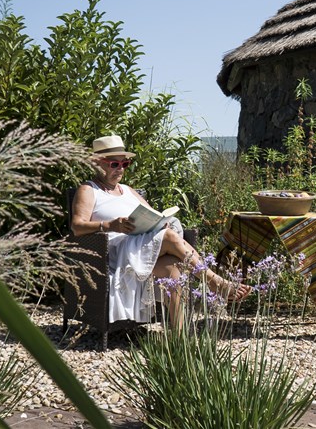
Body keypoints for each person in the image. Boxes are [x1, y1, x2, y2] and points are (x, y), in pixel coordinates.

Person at [71, 135, 250, 327]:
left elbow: (152, 214)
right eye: (114, 164)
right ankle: (215, 283)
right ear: (96, 163)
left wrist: (160, 222)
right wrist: (110, 225)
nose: (121, 169)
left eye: (125, 163)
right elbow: (77, 226)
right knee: (170, 237)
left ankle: (178, 340)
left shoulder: (128, 190)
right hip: (115, 253)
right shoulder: (88, 190)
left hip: (143, 249)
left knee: (174, 271)